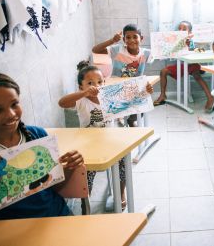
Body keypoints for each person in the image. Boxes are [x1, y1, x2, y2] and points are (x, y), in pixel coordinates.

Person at [0, 72, 84, 223]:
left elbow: (55, 185)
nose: (11, 114)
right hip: (14, 231)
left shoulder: (38, 135)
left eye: (14, 104)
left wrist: (70, 166)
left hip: (58, 216)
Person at [58, 61, 152, 210]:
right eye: (90, 83)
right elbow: (62, 103)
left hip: (110, 140)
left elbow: (132, 100)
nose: (96, 86)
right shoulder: (81, 101)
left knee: (124, 163)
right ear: (80, 86)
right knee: (85, 172)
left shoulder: (110, 97)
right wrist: (84, 93)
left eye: (100, 82)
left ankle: (120, 193)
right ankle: (85, 202)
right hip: (89, 144)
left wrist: (145, 91)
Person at [92, 23, 152, 126]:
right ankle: (120, 120)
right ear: (124, 40)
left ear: (141, 38)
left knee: (143, 100)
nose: (132, 40)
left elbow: (165, 53)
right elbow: (95, 50)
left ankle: (131, 120)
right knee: (115, 112)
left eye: (135, 37)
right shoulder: (117, 50)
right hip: (116, 88)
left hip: (133, 88)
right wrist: (112, 40)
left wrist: (185, 45)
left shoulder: (146, 53)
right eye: (128, 37)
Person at [153, 21, 214, 112]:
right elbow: (170, 51)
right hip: (183, 65)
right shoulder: (174, 40)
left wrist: (187, 43)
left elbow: (192, 52)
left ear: (189, 32)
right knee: (163, 71)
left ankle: (210, 98)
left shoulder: (190, 41)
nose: (181, 31)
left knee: (196, 74)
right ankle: (163, 95)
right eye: (180, 28)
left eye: (184, 29)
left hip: (192, 64)